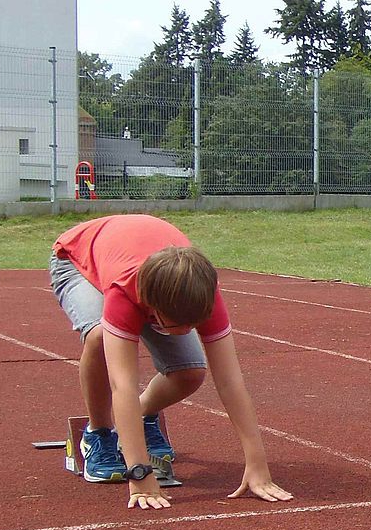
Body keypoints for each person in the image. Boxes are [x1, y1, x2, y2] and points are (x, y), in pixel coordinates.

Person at [49, 214, 295, 510]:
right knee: (100, 336)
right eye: (178, 324)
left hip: (142, 263)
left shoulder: (205, 294)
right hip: (78, 260)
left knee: (189, 372)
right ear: (151, 308)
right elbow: (122, 384)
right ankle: (98, 434)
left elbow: (230, 380)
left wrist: (257, 464)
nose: (186, 331)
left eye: (194, 324)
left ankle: (141, 417)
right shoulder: (125, 292)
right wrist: (139, 473)